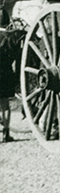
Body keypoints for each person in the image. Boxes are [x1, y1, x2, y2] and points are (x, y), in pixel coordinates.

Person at [0, 9, 23, 142]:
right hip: (6, 73)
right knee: (5, 104)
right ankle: (6, 134)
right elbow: (17, 57)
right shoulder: (13, 37)